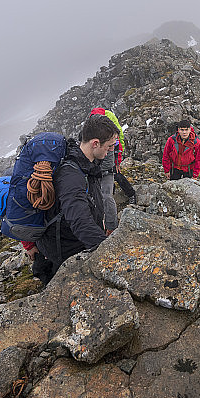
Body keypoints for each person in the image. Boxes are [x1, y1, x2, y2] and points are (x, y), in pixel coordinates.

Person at [26, 114, 119, 284]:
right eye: (109, 146)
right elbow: (79, 220)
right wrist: (109, 252)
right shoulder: (72, 175)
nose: (111, 150)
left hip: (70, 242)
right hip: (66, 250)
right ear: (95, 143)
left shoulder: (83, 163)